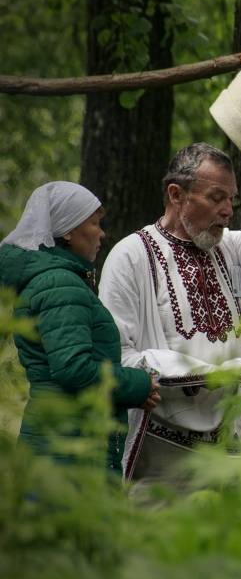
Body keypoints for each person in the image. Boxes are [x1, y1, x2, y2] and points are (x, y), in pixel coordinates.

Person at [98, 114, 241, 481]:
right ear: (176, 194)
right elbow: (117, 358)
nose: (228, 211)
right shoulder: (131, 255)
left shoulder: (229, 249)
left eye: (231, 199)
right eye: (216, 198)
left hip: (231, 447)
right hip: (160, 450)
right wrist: (207, 375)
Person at [0, 181, 159, 471]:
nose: (102, 233)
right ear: (68, 231)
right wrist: (139, 384)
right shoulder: (59, 284)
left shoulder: (56, 280)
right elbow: (74, 368)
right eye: (95, 223)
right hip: (65, 452)